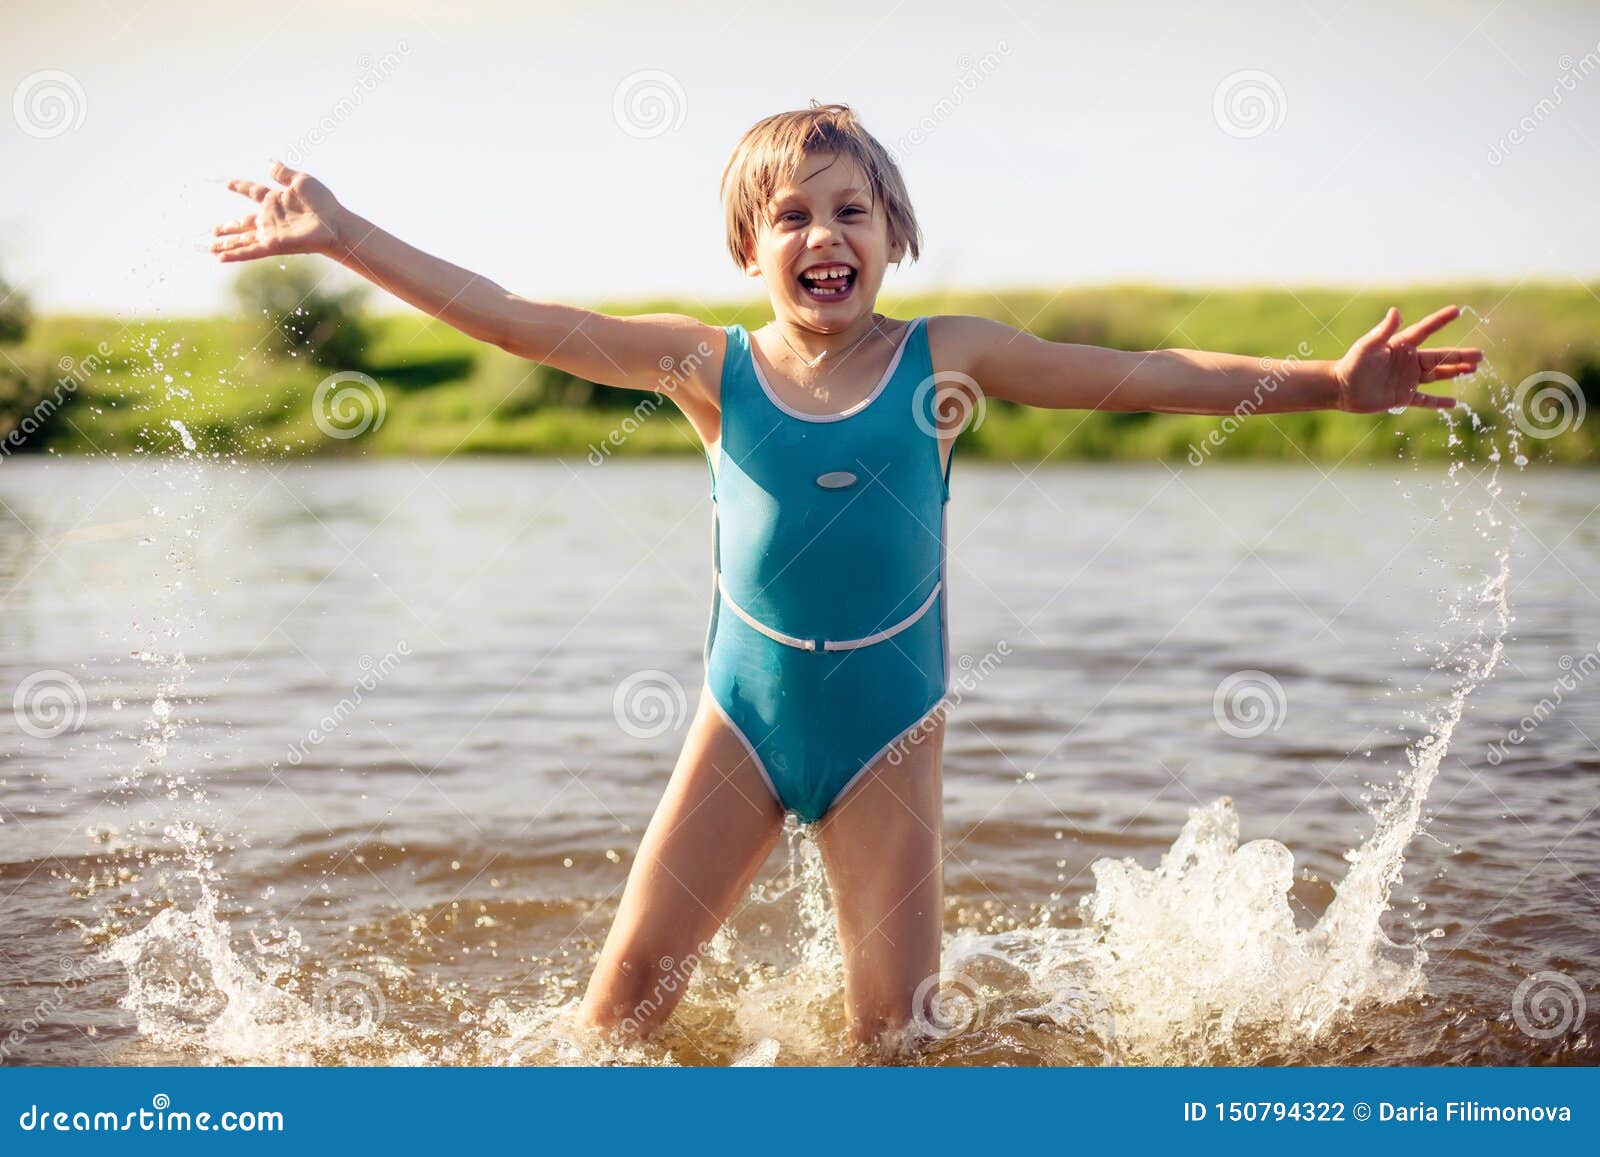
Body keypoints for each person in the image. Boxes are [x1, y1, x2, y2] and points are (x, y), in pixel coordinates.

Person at [210, 101, 1481, 1057]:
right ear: (748, 248)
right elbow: (507, 315)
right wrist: (342, 232)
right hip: (743, 724)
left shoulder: (948, 357)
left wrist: (1327, 385)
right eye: (791, 214)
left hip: (885, 738)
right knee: (621, 1008)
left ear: (893, 234)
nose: (824, 233)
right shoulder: (707, 368)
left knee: (901, 1043)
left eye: (850, 210)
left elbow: (1145, 370)